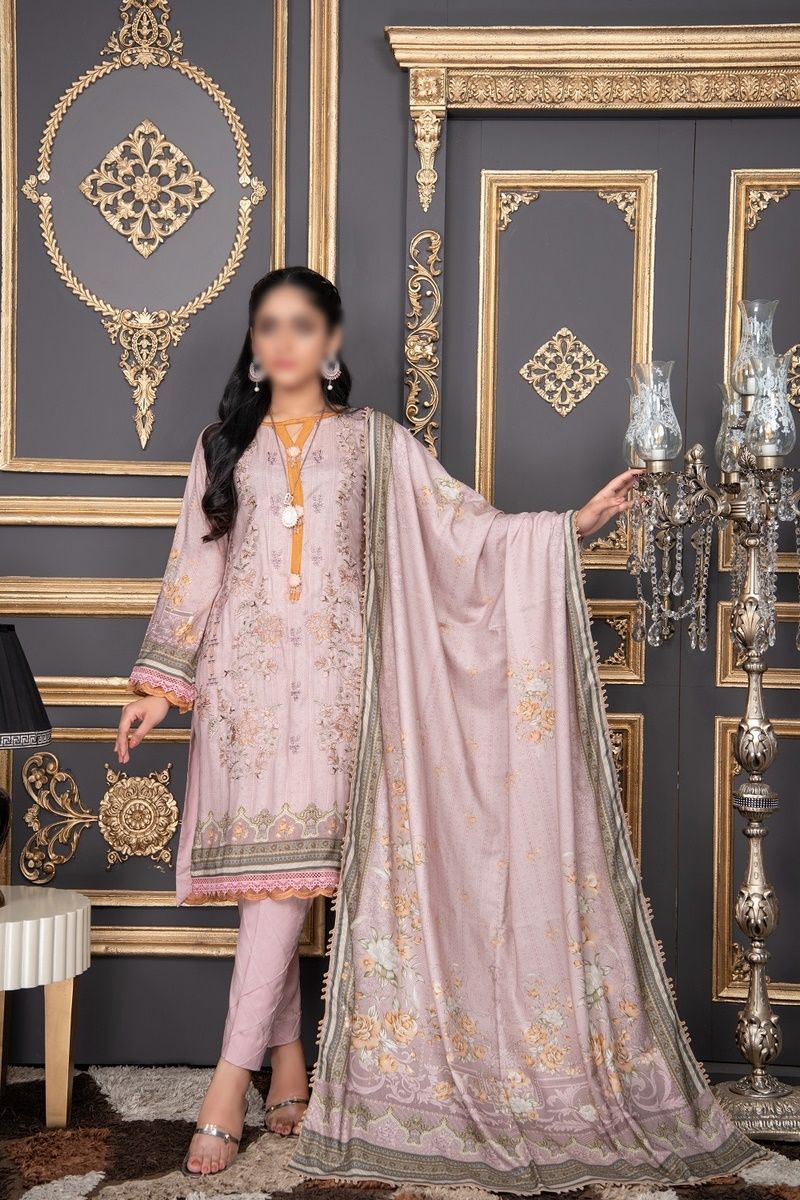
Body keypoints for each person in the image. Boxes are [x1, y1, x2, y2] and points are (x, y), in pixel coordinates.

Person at [116, 266, 766, 1191]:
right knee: (273, 880)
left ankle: (229, 1082)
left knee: (288, 884)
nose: (285, 342)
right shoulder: (222, 447)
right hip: (245, 702)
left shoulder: (377, 445)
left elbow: (467, 531)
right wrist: (159, 688)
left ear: (331, 344)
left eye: (302, 326)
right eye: (269, 327)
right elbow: (194, 571)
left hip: (347, 700)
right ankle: (288, 1068)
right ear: (255, 348)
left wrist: (571, 527)